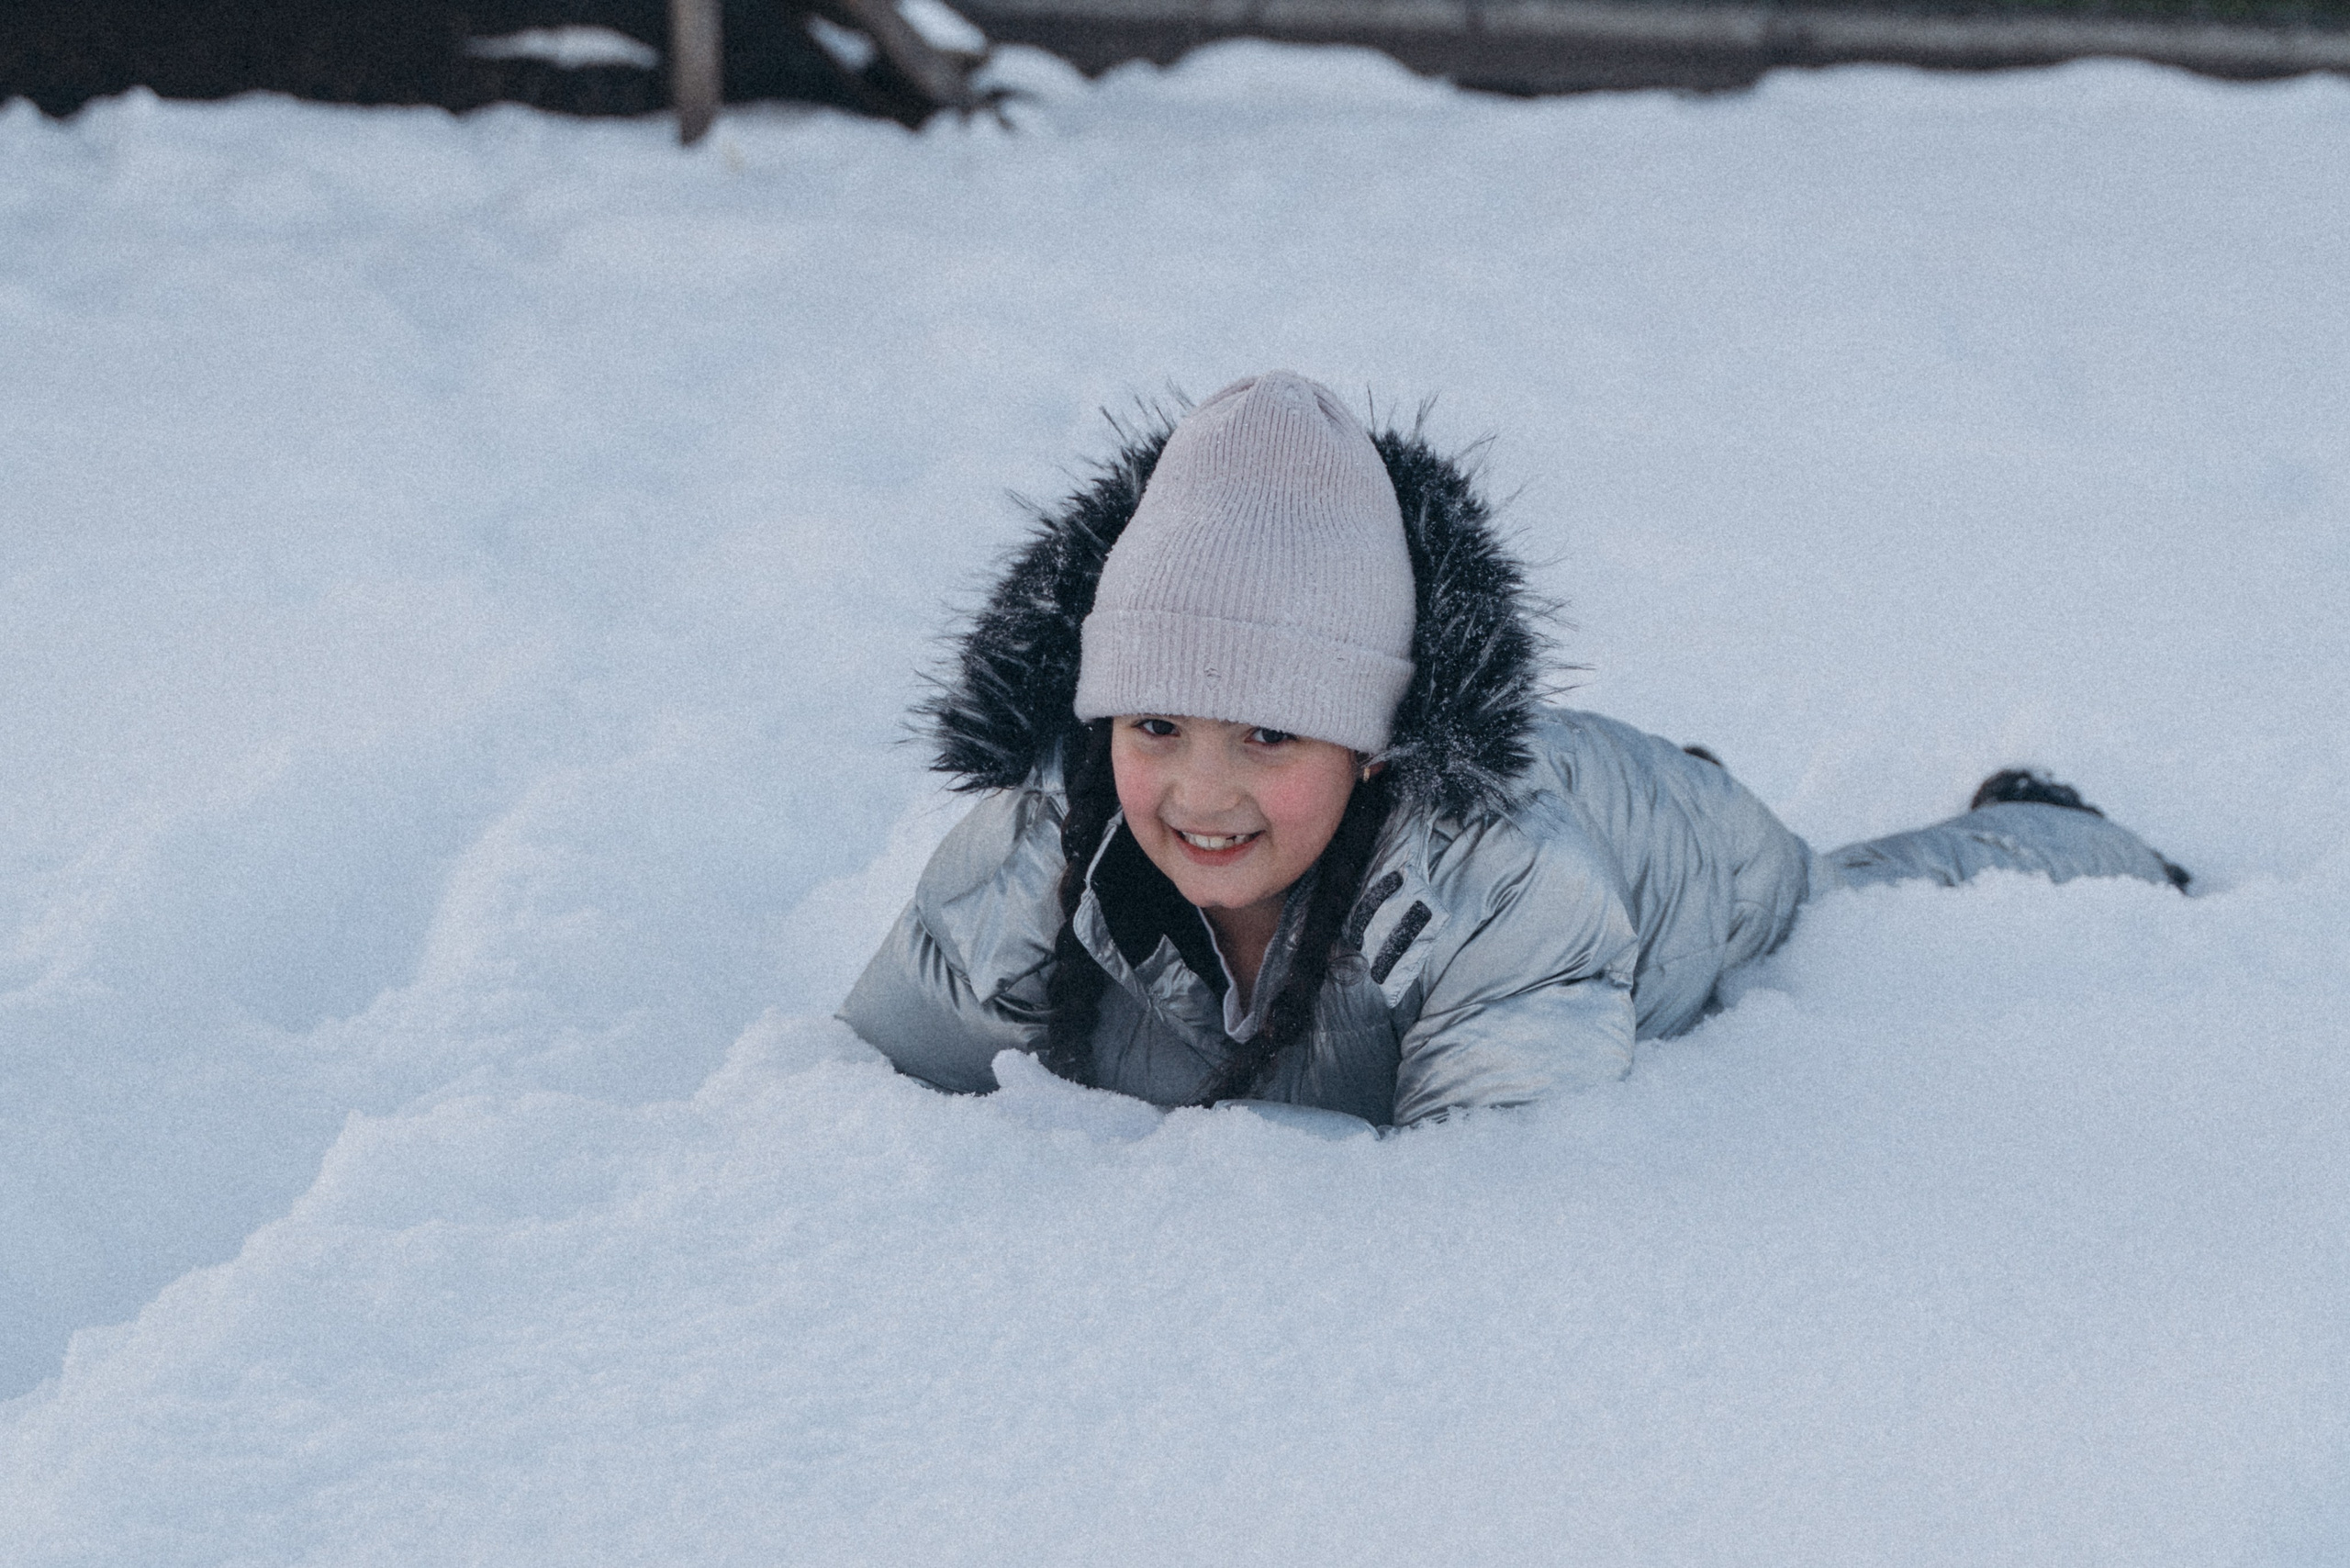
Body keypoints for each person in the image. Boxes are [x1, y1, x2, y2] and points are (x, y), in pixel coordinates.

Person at [839, 372, 2188, 1129]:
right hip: (1581, 805)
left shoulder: (1501, 892)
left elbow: (1501, 1214)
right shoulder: (1026, 865)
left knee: (1864, 900)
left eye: (1269, 732)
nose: (1202, 790)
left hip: (1678, 859)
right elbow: (867, 1106)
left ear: (1375, 745)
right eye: (1154, 726)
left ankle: (2065, 831)